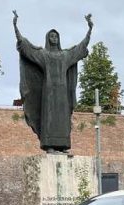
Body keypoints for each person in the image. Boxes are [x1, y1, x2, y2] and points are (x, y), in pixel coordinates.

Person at [13, 10, 92, 153]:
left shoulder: (65, 55)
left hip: (62, 93)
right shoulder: (43, 55)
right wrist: (15, 26)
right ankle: (49, 145)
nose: (54, 38)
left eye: (56, 36)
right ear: (48, 38)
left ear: (58, 39)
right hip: (48, 92)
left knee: (63, 118)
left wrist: (90, 29)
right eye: (51, 36)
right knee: (49, 117)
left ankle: (61, 146)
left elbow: (80, 48)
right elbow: (26, 47)